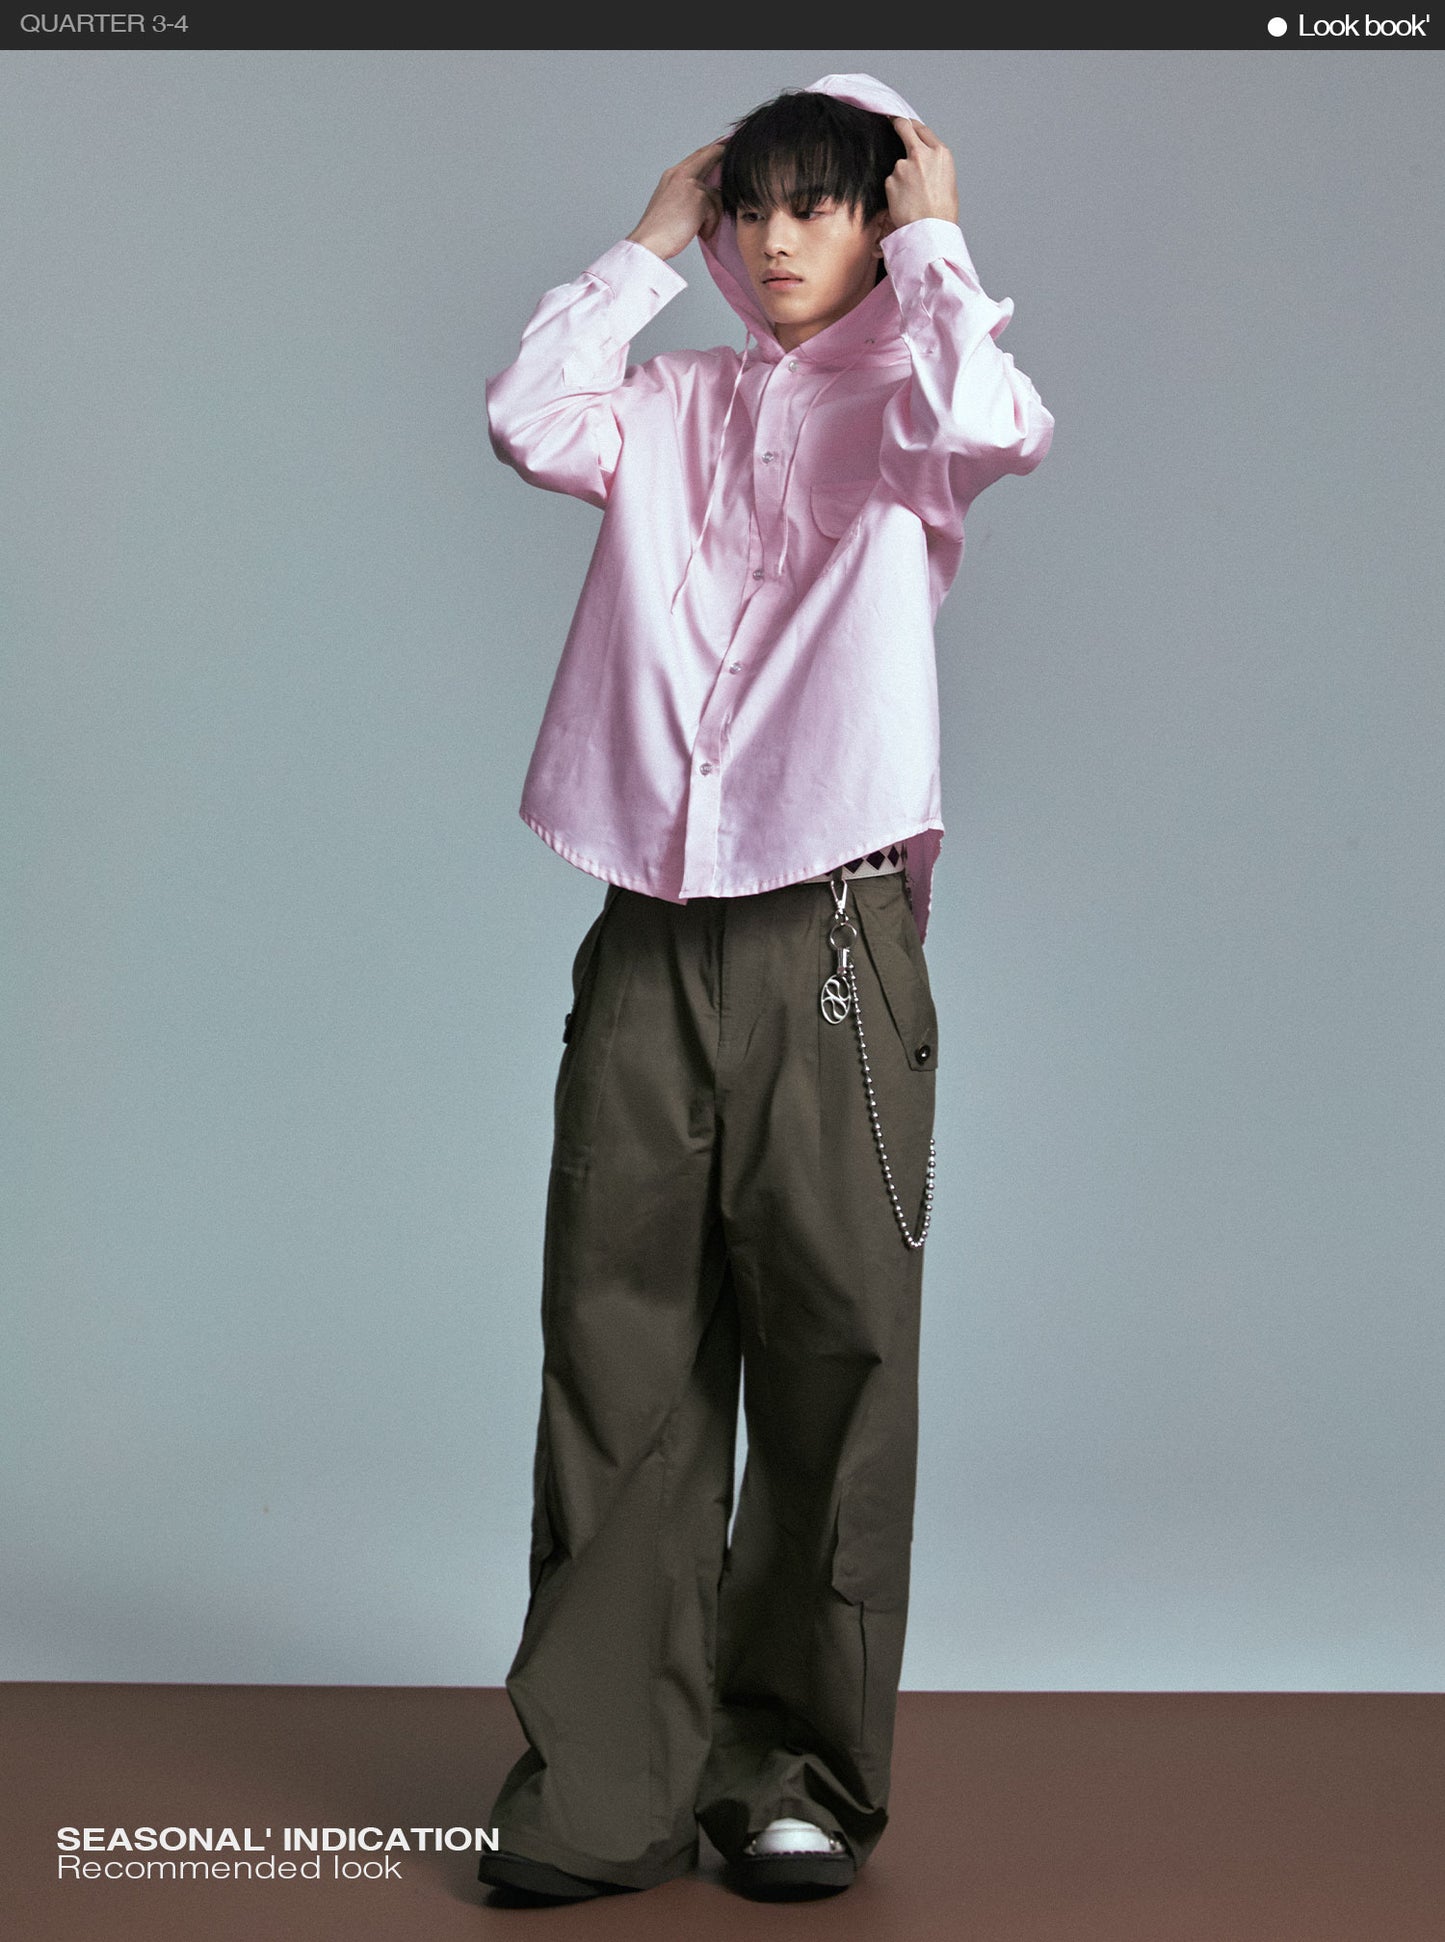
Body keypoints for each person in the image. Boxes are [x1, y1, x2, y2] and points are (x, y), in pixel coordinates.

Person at [477, 72, 1053, 1904]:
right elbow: (524, 413)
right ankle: (602, 1785)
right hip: (651, 927)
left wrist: (939, 237)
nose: (780, 237)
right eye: (756, 206)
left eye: (821, 203)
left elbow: (998, 418)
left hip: (829, 935)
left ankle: (791, 1773)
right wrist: (650, 239)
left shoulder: (912, 408)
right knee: (616, 1343)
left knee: (831, 1351)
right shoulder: (668, 404)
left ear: (877, 221)